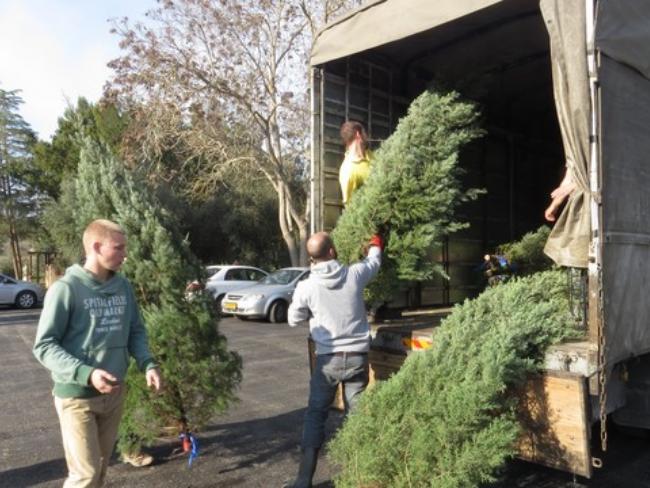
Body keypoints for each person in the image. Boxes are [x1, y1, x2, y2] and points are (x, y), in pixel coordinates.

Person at [33, 219, 162, 488]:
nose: (125, 254)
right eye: (118, 248)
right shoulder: (66, 289)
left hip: (114, 394)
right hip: (77, 398)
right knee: (85, 476)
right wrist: (87, 374)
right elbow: (44, 346)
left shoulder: (123, 287)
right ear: (95, 246)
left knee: (101, 471)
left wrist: (148, 363)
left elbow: (135, 330)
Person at [285, 231, 383, 488]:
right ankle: (361, 476)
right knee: (356, 417)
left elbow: (293, 319)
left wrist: (315, 316)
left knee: (315, 416)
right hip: (357, 359)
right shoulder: (354, 275)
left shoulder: (306, 286)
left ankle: (304, 480)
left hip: (327, 362)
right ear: (331, 252)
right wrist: (375, 242)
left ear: (312, 257)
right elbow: (374, 262)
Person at [339, 121, 372, 205]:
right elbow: (350, 209)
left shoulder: (370, 154)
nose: (367, 136)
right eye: (364, 133)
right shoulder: (347, 171)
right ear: (358, 134)